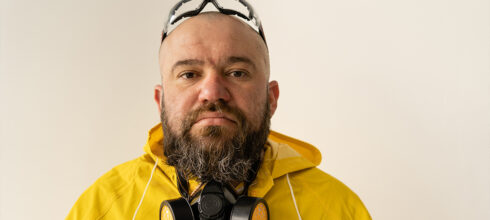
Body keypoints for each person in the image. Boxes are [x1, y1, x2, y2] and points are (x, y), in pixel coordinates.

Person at [67, 1, 371, 219]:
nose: (212, 92)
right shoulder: (103, 206)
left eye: (237, 72)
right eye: (189, 74)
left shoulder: (337, 208)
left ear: (272, 98)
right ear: (160, 103)